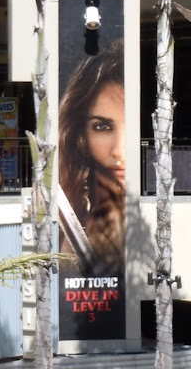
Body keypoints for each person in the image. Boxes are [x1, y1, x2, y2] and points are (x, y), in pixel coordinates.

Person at [59, 40, 125, 274]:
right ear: (79, 134)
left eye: (133, 128)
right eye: (102, 127)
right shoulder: (63, 207)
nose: (119, 150)